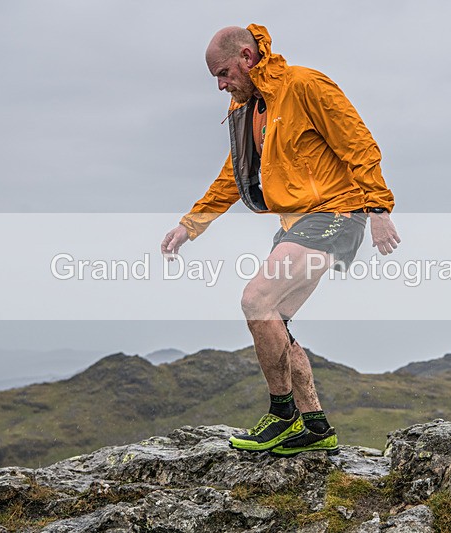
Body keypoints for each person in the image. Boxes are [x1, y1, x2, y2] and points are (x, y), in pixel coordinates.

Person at [161, 24, 399, 456]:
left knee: (256, 300)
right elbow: (233, 176)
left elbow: (358, 144)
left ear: (247, 58)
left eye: (223, 72)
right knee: (276, 321)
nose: (220, 84)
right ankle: (314, 424)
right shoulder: (249, 109)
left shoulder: (305, 85)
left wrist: (379, 207)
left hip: (336, 213)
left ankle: (282, 416)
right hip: (295, 225)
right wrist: (190, 224)